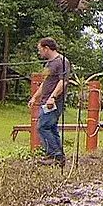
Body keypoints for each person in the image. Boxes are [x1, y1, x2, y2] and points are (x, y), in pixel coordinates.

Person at [29, 37, 71, 165]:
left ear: (46, 48)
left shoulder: (62, 61)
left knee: (43, 126)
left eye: (40, 50)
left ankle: (54, 155)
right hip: (45, 101)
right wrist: (35, 97)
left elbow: (63, 81)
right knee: (51, 127)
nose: (39, 53)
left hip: (54, 102)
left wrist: (53, 97)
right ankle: (58, 156)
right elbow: (45, 83)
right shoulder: (49, 64)